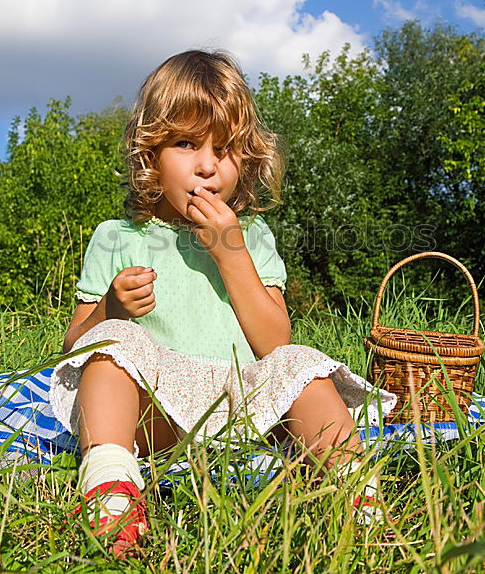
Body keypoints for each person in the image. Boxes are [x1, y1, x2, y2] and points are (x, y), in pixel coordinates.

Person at [51, 49, 397, 558]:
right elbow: (73, 348)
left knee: (303, 365)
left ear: (247, 160)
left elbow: (274, 343)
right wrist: (109, 309)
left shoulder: (252, 236)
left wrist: (230, 252)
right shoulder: (117, 237)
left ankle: (358, 498)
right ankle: (110, 488)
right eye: (186, 144)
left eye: (226, 149)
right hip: (155, 415)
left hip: (242, 406)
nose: (208, 166)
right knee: (112, 345)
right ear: (150, 157)